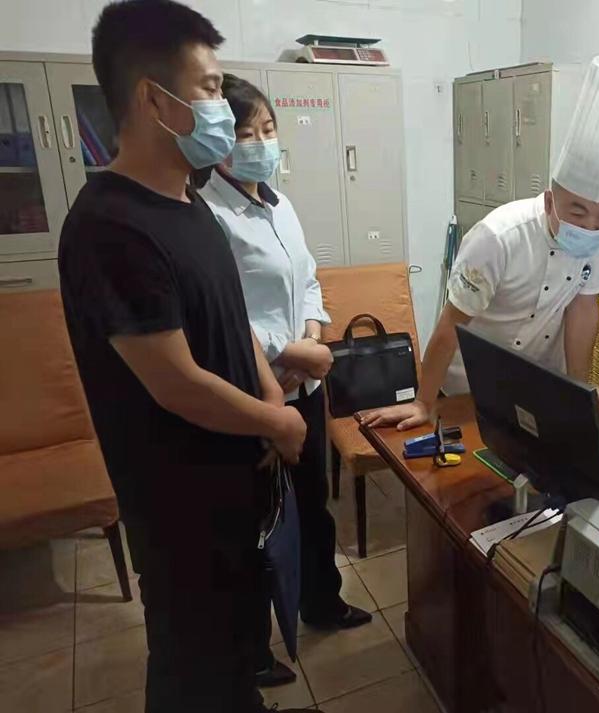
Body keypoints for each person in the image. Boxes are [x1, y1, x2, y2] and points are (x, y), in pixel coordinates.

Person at [57, 2, 312, 712]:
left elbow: (232, 320)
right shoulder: (111, 227)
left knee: (233, 651)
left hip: (236, 485)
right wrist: (280, 423)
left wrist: (270, 400)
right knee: (191, 665)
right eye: (209, 88)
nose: (221, 108)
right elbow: (175, 383)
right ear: (153, 100)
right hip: (181, 507)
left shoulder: (189, 202)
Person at [196, 74, 372, 687]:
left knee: (312, 508)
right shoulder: (209, 214)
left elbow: (309, 278)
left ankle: (321, 600)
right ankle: (249, 648)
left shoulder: (279, 202)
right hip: (252, 396)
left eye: (268, 129)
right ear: (219, 141)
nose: (260, 143)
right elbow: (223, 314)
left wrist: (313, 339)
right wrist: (288, 350)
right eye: (245, 133)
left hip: (306, 387)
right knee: (255, 523)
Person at [364, 55, 599, 430]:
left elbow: (583, 309)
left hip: (538, 384)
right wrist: (423, 401)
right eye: (577, 212)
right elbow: (452, 321)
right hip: (468, 386)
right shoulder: (498, 237)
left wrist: (579, 389)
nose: (591, 227)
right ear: (549, 202)